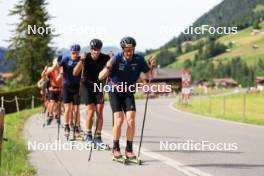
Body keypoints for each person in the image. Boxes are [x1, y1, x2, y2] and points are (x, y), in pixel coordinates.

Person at [98, 36, 156, 160]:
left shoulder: (139, 59)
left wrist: (151, 67)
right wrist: (108, 67)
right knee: (119, 120)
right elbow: (100, 77)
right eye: (126, 50)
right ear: (123, 49)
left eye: (131, 49)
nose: (128, 52)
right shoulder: (116, 59)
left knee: (131, 119)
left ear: (134, 49)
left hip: (128, 91)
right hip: (114, 91)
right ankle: (116, 148)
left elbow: (150, 76)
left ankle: (129, 150)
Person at [73, 39, 111, 149]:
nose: (96, 52)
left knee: (99, 111)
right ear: (91, 49)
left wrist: (111, 59)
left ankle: (98, 137)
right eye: (94, 49)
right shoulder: (86, 57)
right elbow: (75, 72)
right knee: (90, 111)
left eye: (98, 50)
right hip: (87, 85)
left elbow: (110, 70)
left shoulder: (105, 58)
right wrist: (81, 60)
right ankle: (89, 135)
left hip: (99, 86)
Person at [58, 44, 82, 138]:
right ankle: (67, 126)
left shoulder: (81, 60)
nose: (75, 54)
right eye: (73, 52)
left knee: (76, 110)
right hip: (66, 86)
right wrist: (59, 65)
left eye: (76, 53)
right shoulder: (66, 59)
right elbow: (60, 66)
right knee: (68, 109)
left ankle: (76, 127)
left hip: (77, 87)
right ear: (70, 52)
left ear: (78, 52)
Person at [44, 58, 63, 125]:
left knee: (58, 104)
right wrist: (53, 68)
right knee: (52, 102)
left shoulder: (61, 70)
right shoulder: (51, 70)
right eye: (57, 64)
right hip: (52, 89)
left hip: (60, 89)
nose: (58, 65)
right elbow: (45, 75)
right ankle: (50, 116)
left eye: (59, 64)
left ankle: (57, 116)